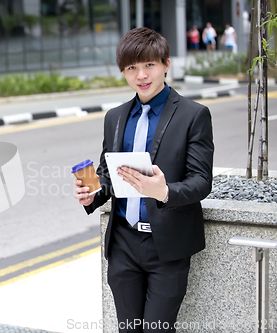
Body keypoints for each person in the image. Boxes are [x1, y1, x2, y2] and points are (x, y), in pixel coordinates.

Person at [74, 27, 214, 332]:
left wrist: (163, 191)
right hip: (123, 243)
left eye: (149, 64)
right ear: (123, 72)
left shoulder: (193, 115)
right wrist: (92, 193)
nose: (141, 75)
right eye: (131, 68)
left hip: (167, 244)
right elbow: (108, 175)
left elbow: (201, 181)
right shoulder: (115, 116)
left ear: (166, 64)